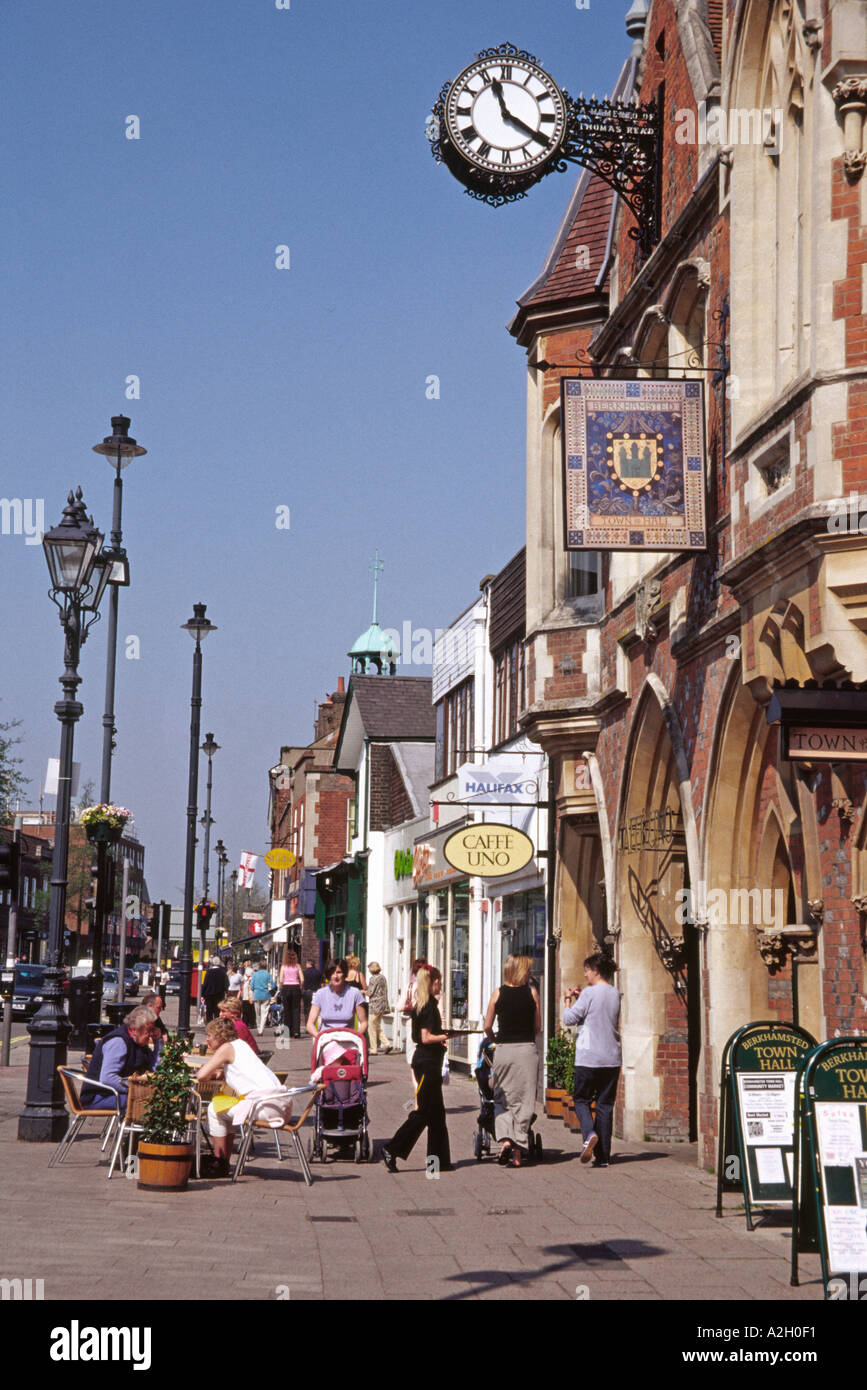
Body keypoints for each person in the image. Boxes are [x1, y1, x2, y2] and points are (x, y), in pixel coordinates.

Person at [195, 1017, 293, 1178]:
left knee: (214, 1109)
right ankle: (224, 1162)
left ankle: (219, 1161)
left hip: (265, 1106)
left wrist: (212, 1073)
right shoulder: (241, 1045)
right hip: (281, 1104)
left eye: (209, 1035)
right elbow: (241, 1072)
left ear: (219, 1037)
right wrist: (221, 1073)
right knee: (227, 1107)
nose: (207, 1039)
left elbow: (201, 1075)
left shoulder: (226, 1048)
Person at [381, 967, 452, 1173]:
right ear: (432, 983)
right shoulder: (428, 1007)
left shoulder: (422, 1005)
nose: (440, 984)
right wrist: (447, 1036)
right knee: (424, 1112)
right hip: (427, 1062)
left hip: (429, 1061)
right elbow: (425, 1037)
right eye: (438, 981)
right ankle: (391, 1148)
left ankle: (437, 1163)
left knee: (437, 1115)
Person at [482, 954, 541, 1168]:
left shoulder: (498, 993)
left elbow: (487, 1025)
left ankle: (506, 1140)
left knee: (502, 1098)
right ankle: (517, 1153)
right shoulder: (532, 993)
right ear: (521, 971)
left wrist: (495, 1039)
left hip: (504, 1051)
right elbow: (538, 1028)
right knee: (524, 1102)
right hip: (526, 1050)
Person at [564, 952, 622, 1168]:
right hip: (611, 1058)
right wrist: (582, 998)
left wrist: (568, 999)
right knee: (605, 1106)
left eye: (587, 970)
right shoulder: (615, 993)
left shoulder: (588, 993)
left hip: (588, 1057)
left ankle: (589, 1134)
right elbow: (598, 1015)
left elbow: (569, 1019)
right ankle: (604, 1157)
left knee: (581, 1100)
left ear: (596, 971)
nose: (586, 974)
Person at [80, 1006, 157, 1109]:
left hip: (113, 1093)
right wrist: (136, 1088)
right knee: (149, 1102)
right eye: (149, 1031)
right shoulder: (118, 1042)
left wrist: (158, 1041)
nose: (151, 1034)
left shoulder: (138, 1043)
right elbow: (108, 1078)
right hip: (99, 1096)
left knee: (157, 1099)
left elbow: (155, 1067)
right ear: (135, 1029)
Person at [305, 959, 368, 1035]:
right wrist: (319, 1036)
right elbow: (310, 1024)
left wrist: (355, 1036)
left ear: (344, 974)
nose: (335, 976)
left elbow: (364, 1022)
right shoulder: (320, 994)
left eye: (339, 972)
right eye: (332, 973)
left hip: (347, 1040)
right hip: (326, 1039)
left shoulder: (354, 993)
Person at [366, 961, 391, 1055]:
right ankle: (387, 1044)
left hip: (375, 1005)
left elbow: (370, 993)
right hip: (383, 1004)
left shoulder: (373, 978)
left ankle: (373, 1048)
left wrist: (363, 991)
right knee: (377, 1026)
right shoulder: (383, 978)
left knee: (371, 1027)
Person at [279, 948, 304, 1039]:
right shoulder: (298, 966)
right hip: (295, 987)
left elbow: (281, 979)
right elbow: (303, 979)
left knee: (287, 1010)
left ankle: (287, 1032)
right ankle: (296, 1032)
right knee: (296, 1010)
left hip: (286, 987)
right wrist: (300, 987)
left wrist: (283, 986)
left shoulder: (283, 966)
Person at [250, 958, 277, 1035]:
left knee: (257, 1014)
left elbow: (251, 986)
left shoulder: (255, 975)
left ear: (259, 966)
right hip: (266, 995)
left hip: (257, 995)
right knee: (264, 1013)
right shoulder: (268, 975)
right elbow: (273, 985)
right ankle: (261, 1029)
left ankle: (259, 1028)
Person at [140, 991, 168, 1060]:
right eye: (158, 1007)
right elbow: (142, 1039)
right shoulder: (137, 1018)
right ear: (149, 1006)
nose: (161, 1010)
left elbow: (165, 1036)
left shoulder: (155, 1018)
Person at [201, 956, 229, 1023]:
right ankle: (217, 1024)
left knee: (209, 1011)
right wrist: (225, 991)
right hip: (219, 994)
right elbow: (226, 984)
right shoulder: (223, 973)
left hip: (209, 994)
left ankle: (209, 1024)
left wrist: (202, 994)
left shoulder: (209, 972)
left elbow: (205, 984)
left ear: (212, 963)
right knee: (217, 1011)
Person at [302, 958, 323, 1027]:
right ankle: (315, 1024)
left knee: (307, 1009)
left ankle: (308, 1025)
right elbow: (322, 984)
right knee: (316, 1009)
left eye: (306, 964)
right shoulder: (318, 972)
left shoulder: (304, 973)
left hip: (307, 992)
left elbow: (302, 982)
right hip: (316, 993)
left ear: (309, 964)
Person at [241, 959, 255, 1027]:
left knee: (247, 1007)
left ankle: (246, 1021)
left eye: (244, 965)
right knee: (250, 1007)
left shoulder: (248, 970)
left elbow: (247, 978)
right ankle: (251, 1022)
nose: (244, 967)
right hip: (249, 992)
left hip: (248, 992)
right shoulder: (251, 971)